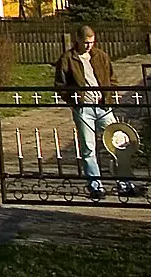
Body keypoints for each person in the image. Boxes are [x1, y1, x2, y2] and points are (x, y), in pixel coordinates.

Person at [54, 24, 129, 197]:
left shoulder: (100, 56)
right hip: (84, 108)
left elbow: (112, 77)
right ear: (78, 40)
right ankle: (96, 186)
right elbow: (60, 84)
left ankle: (124, 183)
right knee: (89, 147)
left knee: (118, 142)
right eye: (86, 42)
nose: (89, 46)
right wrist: (73, 100)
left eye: (92, 42)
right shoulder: (68, 58)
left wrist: (111, 95)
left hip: (103, 106)